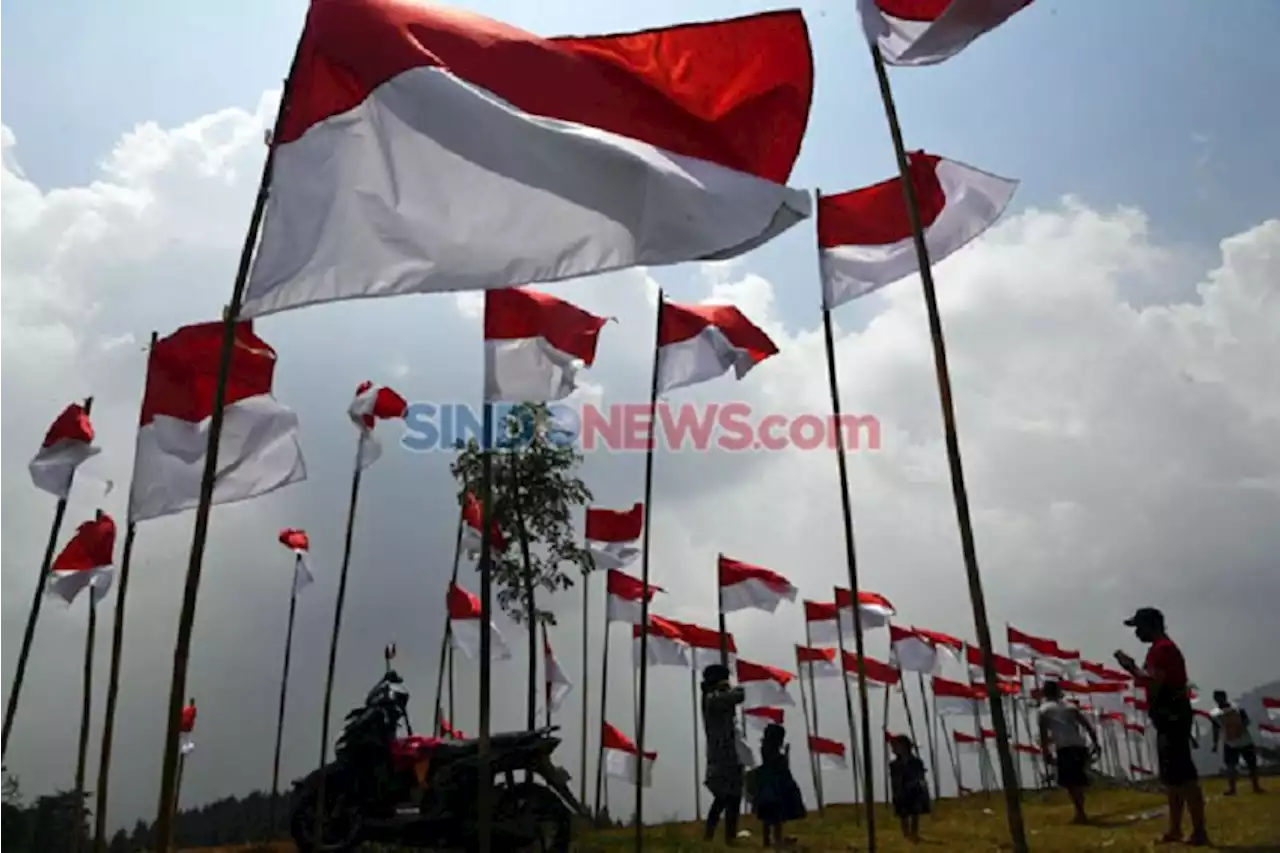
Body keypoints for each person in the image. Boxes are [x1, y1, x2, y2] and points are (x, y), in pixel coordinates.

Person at [1115, 607, 1208, 846]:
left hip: (1172, 716)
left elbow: (1155, 683)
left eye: (1138, 627)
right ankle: (1175, 829)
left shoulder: (1161, 650)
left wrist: (1131, 668)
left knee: (1184, 776)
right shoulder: (1163, 649)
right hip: (1171, 715)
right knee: (1173, 778)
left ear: (1149, 625)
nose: (1136, 632)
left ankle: (1199, 831)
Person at [1037, 680, 1101, 824]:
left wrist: (1045, 752)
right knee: (1076, 781)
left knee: (1070, 783)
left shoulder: (1043, 710)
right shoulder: (1071, 707)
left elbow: (1043, 734)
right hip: (1079, 745)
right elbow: (1087, 725)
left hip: (1064, 747)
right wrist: (1095, 742)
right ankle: (1080, 812)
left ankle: (1080, 813)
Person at [702, 663, 747, 845]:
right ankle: (711, 836)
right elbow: (738, 696)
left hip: (730, 752)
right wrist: (733, 688)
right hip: (721, 755)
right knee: (723, 796)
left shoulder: (716, 696)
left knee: (732, 797)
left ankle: (729, 836)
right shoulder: (711, 698)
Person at [751, 723, 806, 848]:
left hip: (765, 786)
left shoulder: (764, 749)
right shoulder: (775, 755)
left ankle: (767, 840)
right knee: (777, 818)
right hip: (776, 788)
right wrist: (786, 755)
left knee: (767, 818)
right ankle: (777, 839)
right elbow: (781, 766)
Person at [1209, 689, 1265, 796]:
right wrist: (1239, 730)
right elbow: (1246, 721)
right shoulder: (1237, 708)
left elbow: (1215, 730)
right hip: (1244, 739)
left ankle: (1233, 789)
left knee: (1232, 766)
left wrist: (1215, 743)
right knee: (1250, 764)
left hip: (1231, 741)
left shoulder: (1215, 714)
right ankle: (1255, 786)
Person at [888, 734, 930, 843]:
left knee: (914, 813)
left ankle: (914, 834)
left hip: (914, 790)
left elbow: (920, 776)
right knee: (903, 814)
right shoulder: (894, 764)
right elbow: (894, 779)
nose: (894, 749)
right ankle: (906, 835)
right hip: (901, 791)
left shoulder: (916, 762)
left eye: (896, 746)